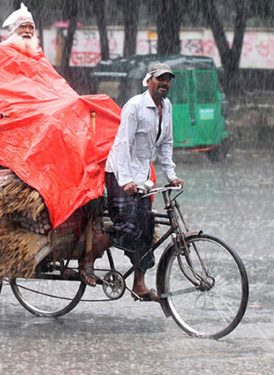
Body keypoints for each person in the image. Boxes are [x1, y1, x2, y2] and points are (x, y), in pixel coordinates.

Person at [104, 63, 184, 301]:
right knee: (127, 227)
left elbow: (166, 144)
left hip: (144, 178)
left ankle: (139, 284)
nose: (165, 84)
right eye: (161, 79)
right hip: (120, 173)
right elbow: (122, 144)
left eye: (168, 80)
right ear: (149, 80)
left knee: (146, 231)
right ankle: (88, 257)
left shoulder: (166, 107)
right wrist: (126, 180)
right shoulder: (135, 106)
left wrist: (171, 175)